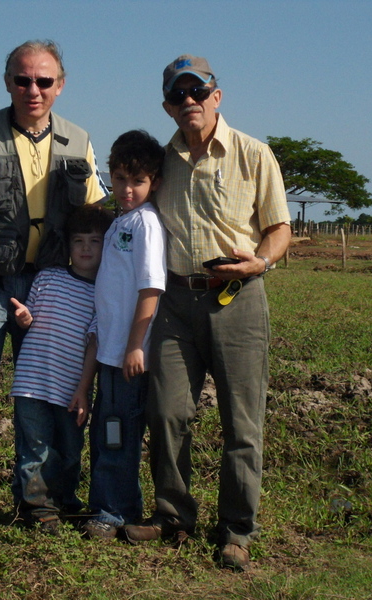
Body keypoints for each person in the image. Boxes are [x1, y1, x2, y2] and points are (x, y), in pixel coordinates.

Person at [0, 39, 108, 534]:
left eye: (44, 81)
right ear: (7, 81)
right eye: (23, 79)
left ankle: (42, 503)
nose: (34, 89)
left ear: (61, 85)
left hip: (54, 285)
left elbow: (97, 217)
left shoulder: (79, 141)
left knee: (52, 395)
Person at [122, 55, 292, 571]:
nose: (189, 101)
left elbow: (279, 227)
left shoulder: (253, 154)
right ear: (167, 107)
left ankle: (237, 531)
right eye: (178, 95)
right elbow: (125, 196)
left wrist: (259, 261)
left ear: (217, 96)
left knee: (242, 421)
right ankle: (174, 517)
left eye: (198, 92)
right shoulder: (161, 161)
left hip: (238, 298)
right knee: (167, 411)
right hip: (175, 300)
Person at [81, 130, 167, 540]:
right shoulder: (120, 222)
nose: (127, 190)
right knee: (106, 429)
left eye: (138, 181)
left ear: (154, 183)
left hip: (127, 355)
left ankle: (116, 511)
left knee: (117, 432)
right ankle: (106, 502)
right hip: (110, 353)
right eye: (119, 180)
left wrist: (136, 344)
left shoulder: (146, 224)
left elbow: (150, 287)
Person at [8, 204, 114, 533]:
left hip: (70, 389)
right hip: (31, 383)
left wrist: (83, 390)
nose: (85, 248)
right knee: (35, 447)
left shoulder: (103, 294)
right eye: (78, 240)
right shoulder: (48, 277)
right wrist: (25, 318)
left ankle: (63, 500)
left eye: (94, 241)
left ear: (106, 246)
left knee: (70, 450)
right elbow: (31, 317)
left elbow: (94, 346)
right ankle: (38, 508)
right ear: (67, 245)